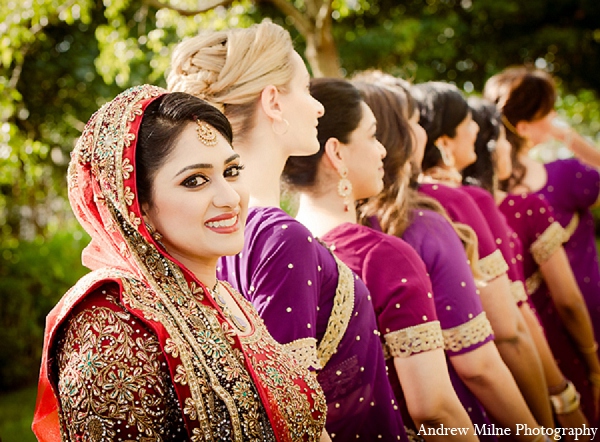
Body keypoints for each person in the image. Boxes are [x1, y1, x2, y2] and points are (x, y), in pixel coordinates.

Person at [31, 85, 328, 441]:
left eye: (231, 171)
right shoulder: (109, 327)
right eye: (195, 181)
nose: (230, 197)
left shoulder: (226, 298)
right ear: (137, 208)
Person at [167, 22, 407, 440]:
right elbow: (291, 422)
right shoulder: (280, 236)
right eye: (306, 90)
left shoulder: (195, 232)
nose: (318, 108)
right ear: (274, 101)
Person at [353, 74, 551, 441]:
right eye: (412, 122)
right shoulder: (439, 212)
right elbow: (503, 339)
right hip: (465, 412)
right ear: (396, 135)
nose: (420, 132)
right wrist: (545, 425)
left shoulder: (339, 228)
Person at [283, 77, 479, 441]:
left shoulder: (272, 253)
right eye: (372, 136)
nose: (383, 151)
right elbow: (434, 409)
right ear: (336, 153)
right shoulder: (382, 255)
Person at [411, 80, 555, 429]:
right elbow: (511, 330)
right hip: (490, 395)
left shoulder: (389, 206)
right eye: (468, 124)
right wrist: (549, 425)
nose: (477, 129)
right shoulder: (463, 200)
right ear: (444, 142)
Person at [464, 96, 600, 428]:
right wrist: (594, 363)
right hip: (554, 341)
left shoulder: (449, 211)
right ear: (492, 148)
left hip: (493, 371)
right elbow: (568, 302)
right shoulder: (521, 208)